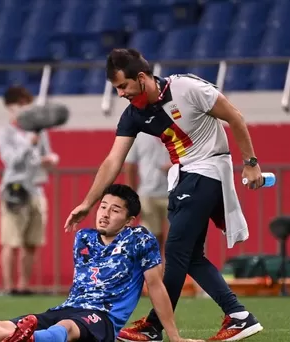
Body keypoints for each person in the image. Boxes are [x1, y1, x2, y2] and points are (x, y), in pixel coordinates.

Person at [64, 48, 264, 341]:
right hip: (186, 176)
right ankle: (238, 315)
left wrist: (251, 164)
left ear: (142, 78)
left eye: (123, 86)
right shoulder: (133, 114)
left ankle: (154, 326)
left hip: (206, 171)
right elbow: (113, 161)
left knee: (175, 253)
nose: (121, 94)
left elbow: (235, 117)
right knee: (191, 256)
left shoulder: (187, 87)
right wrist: (87, 203)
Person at [0, 184, 203, 342]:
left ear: (129, 219)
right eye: (103, 207)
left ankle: (29, 339)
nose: (105, 214)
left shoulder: (140, 239)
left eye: (115, 210)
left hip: (102, 319)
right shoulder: (83, 239)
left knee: (68, 328)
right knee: (1, 326)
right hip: (67, 308)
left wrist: (173, 335)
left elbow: (156, 287)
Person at [0, 85, 59, 295]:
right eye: (20, 104)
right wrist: (27, 145)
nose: (24, 108)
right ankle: (8, 286)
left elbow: (48, 155)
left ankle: (23, 285)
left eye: (27, 104)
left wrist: (50, 160)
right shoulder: (5, 132)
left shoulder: (39, 130)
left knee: (32, 242)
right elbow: (10, 160)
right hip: (15, 190)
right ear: (10, 107)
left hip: (36, 189)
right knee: (11, 241)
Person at [124, 133, 171, 264]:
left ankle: (172, 276)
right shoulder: (139, 135)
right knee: (151, 238)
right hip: (147, 194)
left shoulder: (176, 128)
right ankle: (152, 274)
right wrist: (131, 195)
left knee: (177, 238)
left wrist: (176, 165)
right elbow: (130, 165)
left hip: (175, 193)